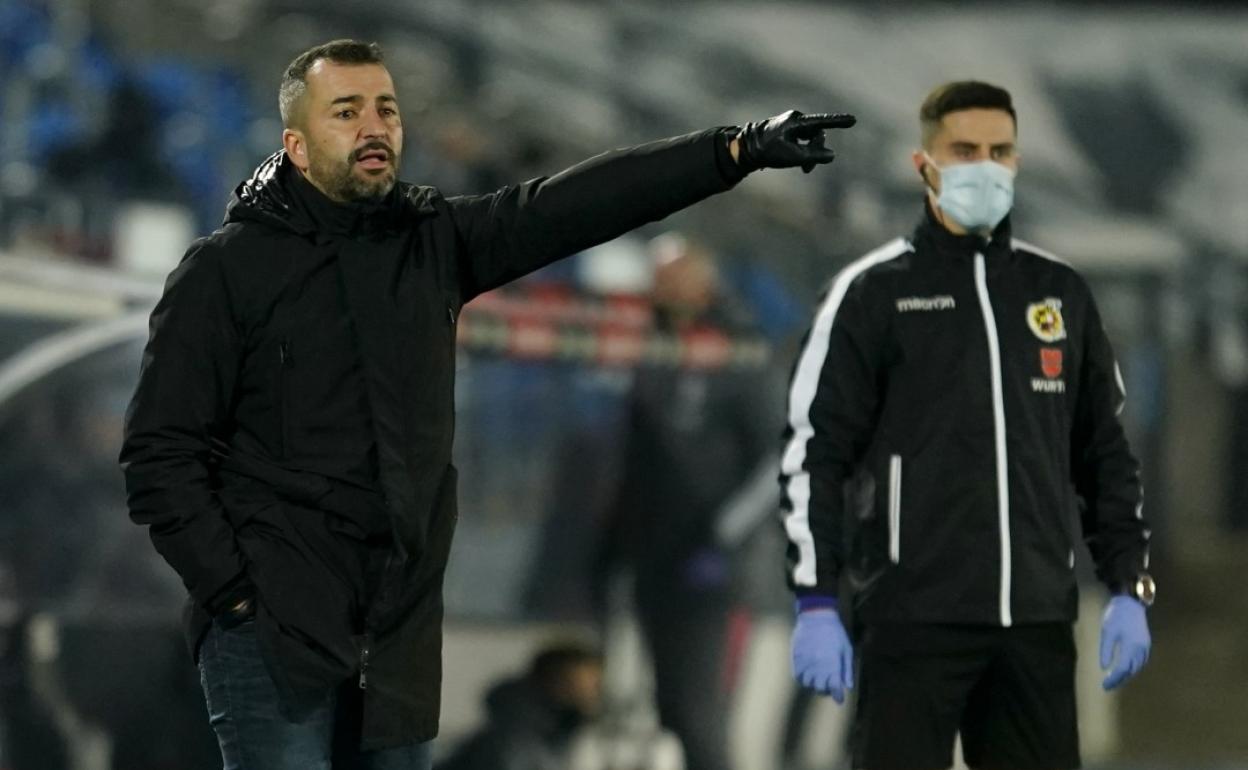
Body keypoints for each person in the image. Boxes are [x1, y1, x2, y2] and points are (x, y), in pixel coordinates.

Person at [118, 38, 855, 770]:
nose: (375, 127)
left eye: (387, 109)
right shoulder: (223, 271)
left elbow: (576, 204)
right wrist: (237, 595)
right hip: (271, 634)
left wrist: (733, 150)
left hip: (396, 635)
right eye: (346, 111)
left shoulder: (432, 242)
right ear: (298, 144)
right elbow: (157, 454)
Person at [780, 80, 1154, 770]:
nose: (985, 165)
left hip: (1037, 624)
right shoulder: (872, 293)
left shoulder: (1059, 293)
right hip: (911, 618)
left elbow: (1105, 454)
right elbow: (815, 453)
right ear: (924, 164)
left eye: (1000, 150)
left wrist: (1128, 585)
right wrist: (816, 599)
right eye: (964, 149)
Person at [596, 234, 782, 770]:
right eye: (657, 278)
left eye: (673, 277)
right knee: (669, 707)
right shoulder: (652, 351)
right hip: (651, 556)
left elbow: (778, 458)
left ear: (702, 284)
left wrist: (722, 538)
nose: (661, 288)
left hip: (712, 573)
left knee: (700, 716)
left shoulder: (740, 352)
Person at [435, 642, 604, 770]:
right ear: (550, 684)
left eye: (594, 687)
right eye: (579, 687)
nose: (590, 697)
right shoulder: (511, 746)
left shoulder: (551, 739)